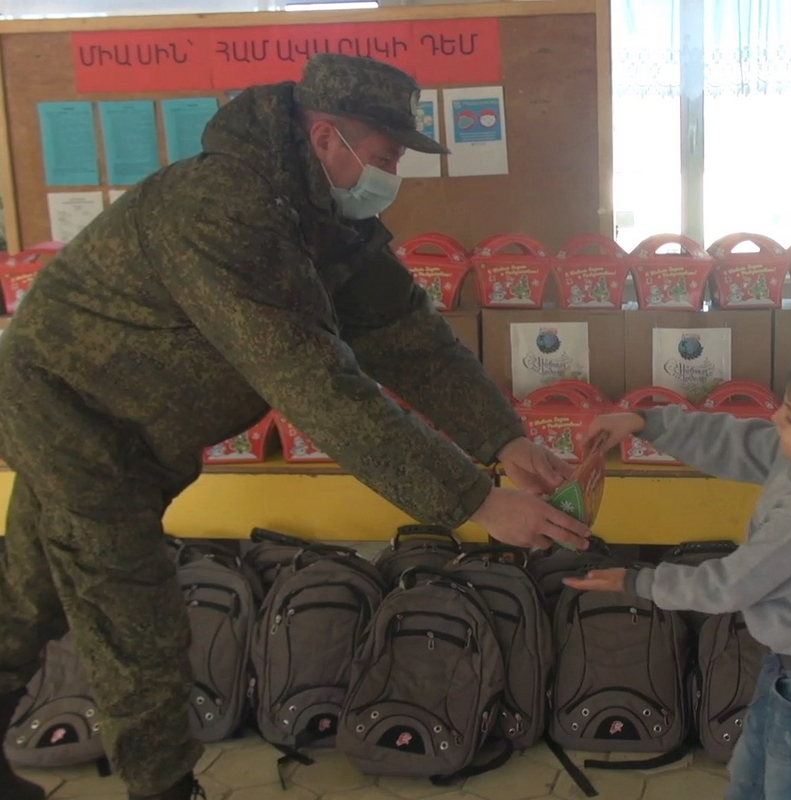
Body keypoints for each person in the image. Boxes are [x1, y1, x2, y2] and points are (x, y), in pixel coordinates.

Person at [0, 54, 590, 800]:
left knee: (29, 593)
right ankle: (165, 787)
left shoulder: (327, 217)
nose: (392, 172)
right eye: (384, 156)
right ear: (324, 138)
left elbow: (407, 336)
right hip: (71, 411)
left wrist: (504, 440)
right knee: (132, 610)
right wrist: (473, 501)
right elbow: (318, 385)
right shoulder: (223, 210)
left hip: (136, 425)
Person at [564, 349, 791, 800]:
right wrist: (643, 423)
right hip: (790, 661)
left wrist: (637, 582)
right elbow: (733, 440)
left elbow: (729, 584)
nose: (776, 419)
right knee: (748, 776)